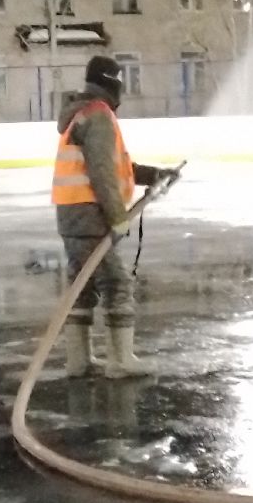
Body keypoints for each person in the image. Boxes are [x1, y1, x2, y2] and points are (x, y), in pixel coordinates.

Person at [52, 55, 180, 378]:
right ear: (113, 82)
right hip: (90, 214)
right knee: (116, 283)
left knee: (82, 285)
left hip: (72, 213)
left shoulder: (84, 112)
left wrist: (155, 175)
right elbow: (102, 173)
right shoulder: (99, 116)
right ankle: (120, 361)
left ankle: (79, 361)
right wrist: (117, 215)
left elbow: (117, 167)